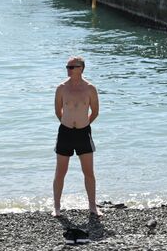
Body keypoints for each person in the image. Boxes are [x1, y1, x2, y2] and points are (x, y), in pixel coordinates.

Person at [53, 56, 100, 217]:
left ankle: (93, 206)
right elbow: (57, 111)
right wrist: (68, 123)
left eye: (71, 67)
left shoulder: (90, 88)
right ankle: (57, 207)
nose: (68, 69)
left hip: (83, 133)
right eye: (67, 67)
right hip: (65, 132)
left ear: (80, 68)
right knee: (60, 171)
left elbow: (95, 112)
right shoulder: (61, 88)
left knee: (88, 172)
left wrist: (83, 124)